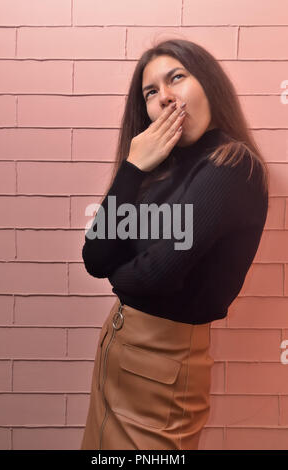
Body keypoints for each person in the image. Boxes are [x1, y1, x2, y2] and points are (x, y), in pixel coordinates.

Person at [80, 39, 269, 450]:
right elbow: (95, 256)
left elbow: (154, 275)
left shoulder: (231, 165)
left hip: (161, 371)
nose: (163, 96)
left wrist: (120, 269)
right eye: (150, 92)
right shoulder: (156, 169)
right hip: (119, 354)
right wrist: (132, 167)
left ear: (209, 84)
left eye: (176, 78)